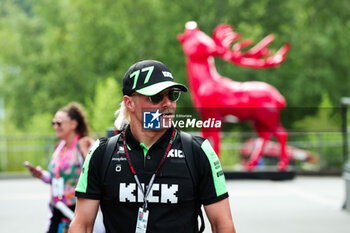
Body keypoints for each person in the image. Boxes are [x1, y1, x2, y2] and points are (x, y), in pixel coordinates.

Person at [69, 60, 236, 233]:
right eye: (156, 97)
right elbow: (82, 224)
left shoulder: (198, 151)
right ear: (130, 103)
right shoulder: (102, 152)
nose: (167, 104)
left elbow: (222, 224)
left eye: (172, 95)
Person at [25, 102, 95, 233]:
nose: (55, 126)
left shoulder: (85, 144)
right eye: (54, 123)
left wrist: (85, 150)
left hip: (77, 209)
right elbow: (54, 177)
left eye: (59, 123)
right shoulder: (59, 147)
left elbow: (95, 172)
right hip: (58, 206)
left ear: (73, 124)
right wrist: (41, 174)